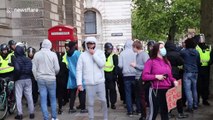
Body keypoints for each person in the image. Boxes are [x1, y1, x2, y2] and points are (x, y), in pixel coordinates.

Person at [142, 43, 178, 120]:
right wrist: (156, 76)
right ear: (157, 50)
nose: (163, 49)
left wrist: (174, 81)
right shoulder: (151, 61)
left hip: (167, 90)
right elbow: (144, 76)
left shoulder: (167, 62)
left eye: (164, 47)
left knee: (165, 111)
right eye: (161, 47)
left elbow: (170, 76)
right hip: (155, 90)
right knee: (153, 112)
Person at [76, 37, 108, 120]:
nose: (91, 45)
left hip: (100, 82)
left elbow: (101, 64)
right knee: (90, 103)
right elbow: (79, 70)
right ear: (86, 45)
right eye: (89, 44)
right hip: (89, 83)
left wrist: (94, 55)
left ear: (95, 44)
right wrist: (79, 83)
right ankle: (91, 118)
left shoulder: (100, 53)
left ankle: (105, 118)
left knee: (103, 101)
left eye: (92, 43)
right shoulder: (82, 55)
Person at [32, 39, 60, 120]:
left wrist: (36, 77)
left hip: (40, 78)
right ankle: (54, 117)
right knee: (53, 98)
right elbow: (57, 68)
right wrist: (54, 74)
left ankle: (46, 117)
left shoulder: (36, 54)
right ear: (50, 46)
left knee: (43, 99)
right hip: (51, 79)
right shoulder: (53, 54)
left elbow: (34, 69)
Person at [165, 41, 188, 119]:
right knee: (178, 94)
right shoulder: (177, 54)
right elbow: (181, 62)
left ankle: (168, 112)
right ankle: (180, 112)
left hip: (166, 75)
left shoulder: (164, 54)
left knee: (169, 94)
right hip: (176, 75)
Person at [63, 41, 87, 113]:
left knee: (72, 92)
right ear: (73, 46)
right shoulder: (77, 53)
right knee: (82, 91)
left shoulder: (68, 54)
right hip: (79, 75)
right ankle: (83, 108)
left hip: (72, 75)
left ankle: (71, 108)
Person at [118, 39, 139, 117]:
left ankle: (130, 111)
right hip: (135, 75)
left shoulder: (122, 53)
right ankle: (138, 109)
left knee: (128, 93)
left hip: (126, 75)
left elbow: (120, 65)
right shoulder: (135, 52)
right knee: (136, 93)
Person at [13, 46, 35, 120]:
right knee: (29, 96)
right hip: (28, 78)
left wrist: (15, 78)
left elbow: (17, 69)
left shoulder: (16, 60)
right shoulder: (28, 59)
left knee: (18, 97)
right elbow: (31, 68)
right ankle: (31, 113)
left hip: (19, 79)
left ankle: (20, 114)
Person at [180, 38, 200, 112]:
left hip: (187, 72)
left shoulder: (184, 52)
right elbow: (198, 61)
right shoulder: (197, 52)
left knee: (188, 90)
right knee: (194, 89)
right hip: (195, 72)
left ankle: (190, 106)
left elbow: (179, 58)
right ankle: (195, 104)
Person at [131, 41, 149, 120]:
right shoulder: (138, 55)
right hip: (138, 77)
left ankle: (144, 115)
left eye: (133, 47)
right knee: (139, 97)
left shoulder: (144, 54)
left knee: (141, 97)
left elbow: (146, 67)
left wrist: (136, 65)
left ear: (136, 47)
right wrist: (135, 66)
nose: (132, 49)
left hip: (142, 78)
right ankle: (142, 114)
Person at [195, 34, 213, 106]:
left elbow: (211, 56)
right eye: (200, 38)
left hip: (206, 68)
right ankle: (197, 100)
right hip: (198, 68)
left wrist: (210, 62)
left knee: (206, 84)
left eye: (203, 38)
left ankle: (205, 99)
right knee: (198, 85)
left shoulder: (209, 47)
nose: (202, 39)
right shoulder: (196, 47)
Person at [104, 42, 118, 109]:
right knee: (105, 91)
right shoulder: (102, 56)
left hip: (112, 75)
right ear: (105, 49)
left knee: (112, 90)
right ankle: (106, 103)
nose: (110, 50)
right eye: (108, 49)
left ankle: (113, 103)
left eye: (110, 49)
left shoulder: (114, 56)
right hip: (104, 75)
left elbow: (116, 66)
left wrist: (115, 76)